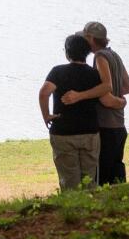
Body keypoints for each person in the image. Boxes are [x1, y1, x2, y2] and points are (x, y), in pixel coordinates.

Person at [62, 21, 129, 184]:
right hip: (119, 126)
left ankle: (108, 206)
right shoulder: (114, 55)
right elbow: (128, 87)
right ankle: (121, 203)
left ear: (90, 38)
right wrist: (120, 100)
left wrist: (80, 95)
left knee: (103, 176)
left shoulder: (99, 57)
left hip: (106, 127)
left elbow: (106, 98)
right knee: (117, 171)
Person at [38, 34, 103, 190]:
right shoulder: (94, 74)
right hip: (90, 132)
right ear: (87, 53)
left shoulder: (58, 71)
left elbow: (44, 93)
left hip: (63, 132)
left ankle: (71, 211)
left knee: (69, 182)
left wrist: (46, 115)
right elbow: (104, 96)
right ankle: (91, 210)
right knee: (89, 180)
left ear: (67, 53)